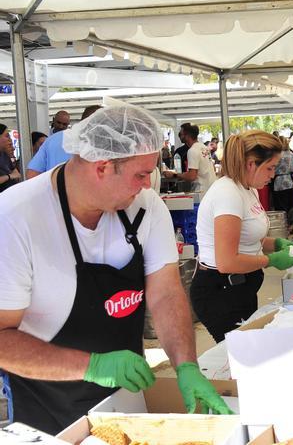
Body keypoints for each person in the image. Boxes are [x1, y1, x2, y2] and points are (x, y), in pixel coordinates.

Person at [0, 106, 230, 434]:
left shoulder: (146, 208)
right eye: (140, 175)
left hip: (127, 401)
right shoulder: (15, 218)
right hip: (49, 411)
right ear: (102, 166)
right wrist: (91, 365)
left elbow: (165, 292)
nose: (147, 186)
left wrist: (186, 365)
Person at [192, 130, 293, 342]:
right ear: (251, 164)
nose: (272, 174)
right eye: (269, 168)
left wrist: (275, 243)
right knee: (242, 354)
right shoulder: (227, 194)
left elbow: (247, 237)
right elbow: (227, 261)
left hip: (241, 288)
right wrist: (271, 260)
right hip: (220, 291)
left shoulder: (248, 188)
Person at [27, 105, 102, 178]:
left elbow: (32, 173)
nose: (61, 126)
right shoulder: (102, 146)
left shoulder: (52, 139)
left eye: (64, 124)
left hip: (55, 188)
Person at [163, 123, 217, 193]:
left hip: (201, 190)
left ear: (187, 136)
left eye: (181, 134)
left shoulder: (192, 150)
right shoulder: (204, 147)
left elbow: (192, 176)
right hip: (210, 188)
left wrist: (174, 175)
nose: (180, 136)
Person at [272, 137, 293, 214]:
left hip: (281, 183)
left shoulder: (277, 155)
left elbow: (273, 168)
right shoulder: (291, 153)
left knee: (282, 209)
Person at [0, 124, 21, 192]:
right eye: (7, 136)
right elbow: (14, 175)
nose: (10, 139)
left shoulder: (4, 155)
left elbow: (17, 175)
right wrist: (9, 176)